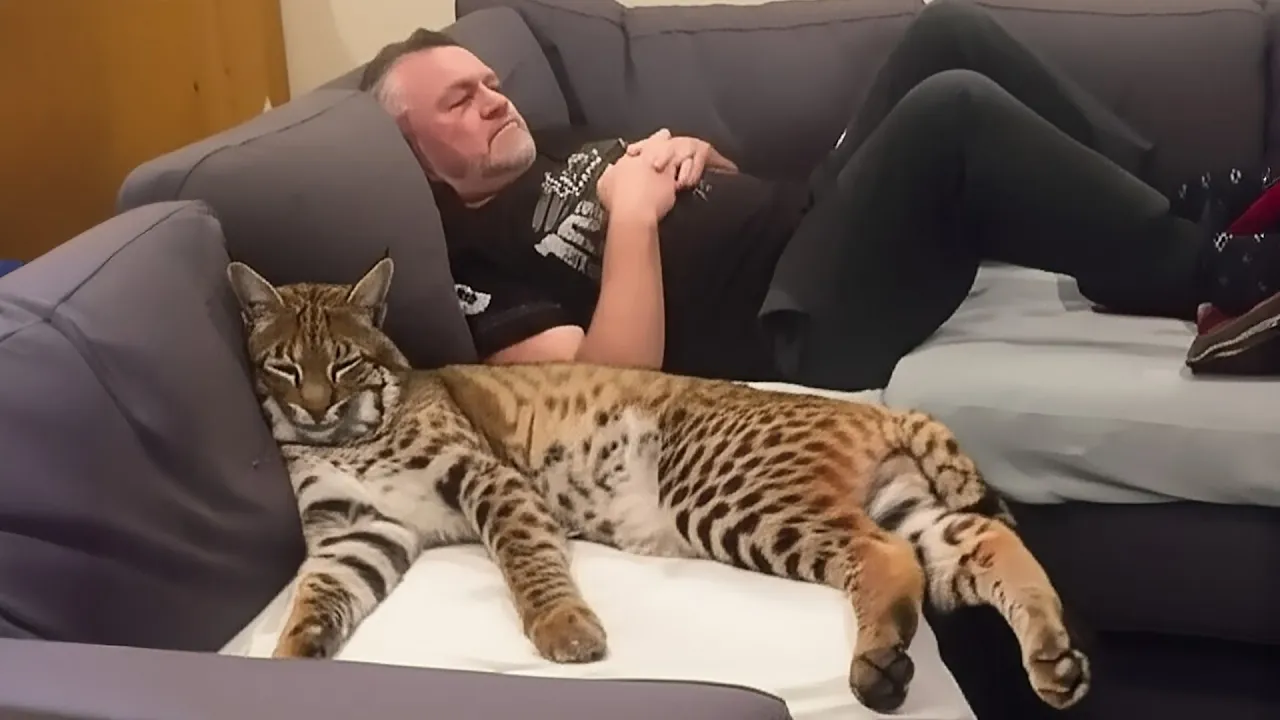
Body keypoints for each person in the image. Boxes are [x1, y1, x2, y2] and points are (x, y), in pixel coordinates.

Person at [355, 1, 1279, 716]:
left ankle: (1179, 204)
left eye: (490, 82)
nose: (495, 100)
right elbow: (607, 385)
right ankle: (1214, 271)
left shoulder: (551, 151)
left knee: (948, 30)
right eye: (460, 101)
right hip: (799, 323)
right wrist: (632, 213)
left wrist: (695, 160)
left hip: (810, 225)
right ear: (416, 156)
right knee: (950, 112)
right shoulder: (477, 268)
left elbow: (713, 200)